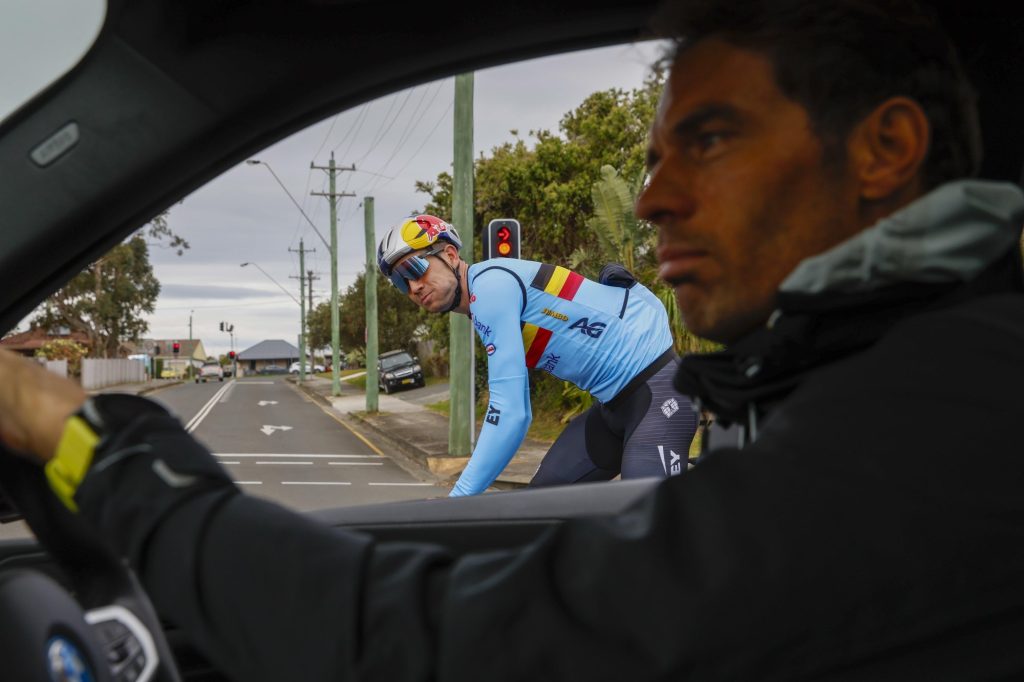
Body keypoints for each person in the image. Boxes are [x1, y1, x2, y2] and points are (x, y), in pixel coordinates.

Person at [3, 1, 1024, 679]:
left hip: (653, 380)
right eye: (656, 154)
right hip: (643, 389)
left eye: (707, 140)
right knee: (547, 513)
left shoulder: (932, 419)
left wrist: (94, 441)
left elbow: (497, 468)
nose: (657, 197)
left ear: (887, 148)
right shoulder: (873, 378)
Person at [376, 214, 698, 495]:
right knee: (539, 504)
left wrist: (459, 497)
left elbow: (510, 413)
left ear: (449, 253)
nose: (414, 287)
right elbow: (522, 412)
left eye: (415, 268)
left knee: (648, 528)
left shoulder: (490, 287)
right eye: (401, 283)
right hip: (614, 407)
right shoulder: (482, 301)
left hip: (658, 392)